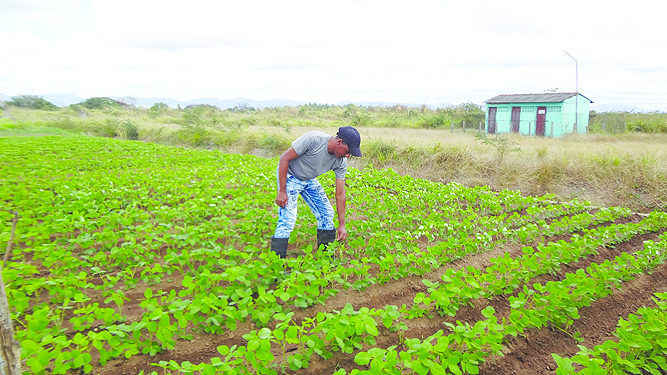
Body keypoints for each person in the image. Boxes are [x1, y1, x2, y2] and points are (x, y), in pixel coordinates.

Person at [270, 126, 362, 259]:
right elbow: (284, 159)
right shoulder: (313, 139)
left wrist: (342, 225)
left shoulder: (341, 161)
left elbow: (340, 193)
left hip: (308, 179)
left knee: (327, 213)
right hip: (290, 176)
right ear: (339, 142)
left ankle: (325, 259)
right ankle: (276, 265)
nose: (347, 156)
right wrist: (282, 191)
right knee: (288, 219)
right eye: (347, 151)